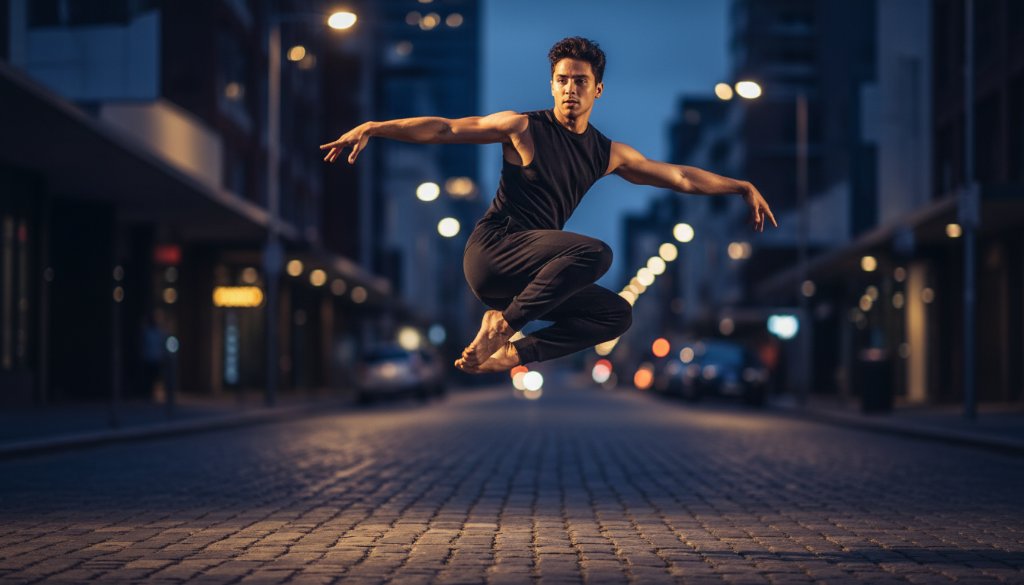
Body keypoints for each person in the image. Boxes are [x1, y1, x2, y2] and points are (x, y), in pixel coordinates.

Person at [321, 37, 777, 374]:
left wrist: (739, 186)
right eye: (562, 81)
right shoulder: (522, 127)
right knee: (595, 253)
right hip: (494, 254)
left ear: (598, 89)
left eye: (580, 81)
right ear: (552, 84)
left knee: (617, 314)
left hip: (534, 279)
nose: (569, 90)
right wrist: (376, 126)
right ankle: (502, 326)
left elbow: (678, 176)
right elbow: (446, 129)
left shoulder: (607, 153)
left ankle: (513, 353)